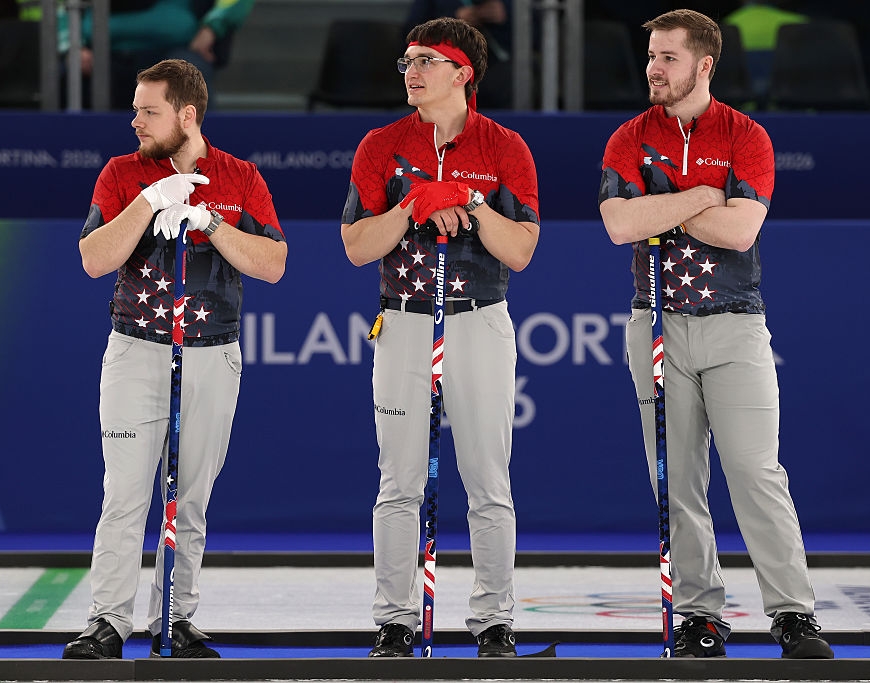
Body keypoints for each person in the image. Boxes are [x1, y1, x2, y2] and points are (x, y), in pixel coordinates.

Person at [597, 9, 833, 660]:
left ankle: (793, 614)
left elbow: (741, 232)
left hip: (734, 325)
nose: (654, 68)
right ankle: (699, 617)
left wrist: (667, 203)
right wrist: (705, 194)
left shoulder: (746, 135)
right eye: (651, 55)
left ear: (705, 65)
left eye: (669, 57)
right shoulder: (629, 137)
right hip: (656, 324)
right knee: (676, 482)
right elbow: (619, 223)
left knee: (758, 472)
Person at [62, 58, 287, 660]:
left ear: (186, 115)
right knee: (126, 491)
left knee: (190, 497)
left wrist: (210, 222)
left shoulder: (239, 177)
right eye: (135, 108)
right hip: (137, 349)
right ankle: (107, 621)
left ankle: (175, 617)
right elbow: (93, 258)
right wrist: (150, 201)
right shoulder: (120, 173)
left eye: (148, 110)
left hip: (213, 351)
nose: (134, 120)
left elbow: (272, 264)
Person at [341, 16, 540, 658]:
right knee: (398, 480)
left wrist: (474, 205)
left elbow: (521, 251)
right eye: (406, 61)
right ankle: (394, 621)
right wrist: (411, 205)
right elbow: (353, 246)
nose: (412, 71)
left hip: (478, 318)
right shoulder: (381, 145)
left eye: (427, 60)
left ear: (463, 73)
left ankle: (493, 621)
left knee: (487, 477)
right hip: (402, 319)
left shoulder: (504, 146)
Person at [63, 0, 255, 110]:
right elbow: (60, 8)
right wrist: (71, 45)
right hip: (99, 53)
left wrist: (213, 26)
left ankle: (200, 170)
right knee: (64, 78)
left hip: (175, 50)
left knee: (188, 79)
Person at [403, 0, 513, 108]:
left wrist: (507, 13)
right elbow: (411, 33)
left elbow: (527, 25)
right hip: (447, 63)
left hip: (503, 64)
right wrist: (452, 22)